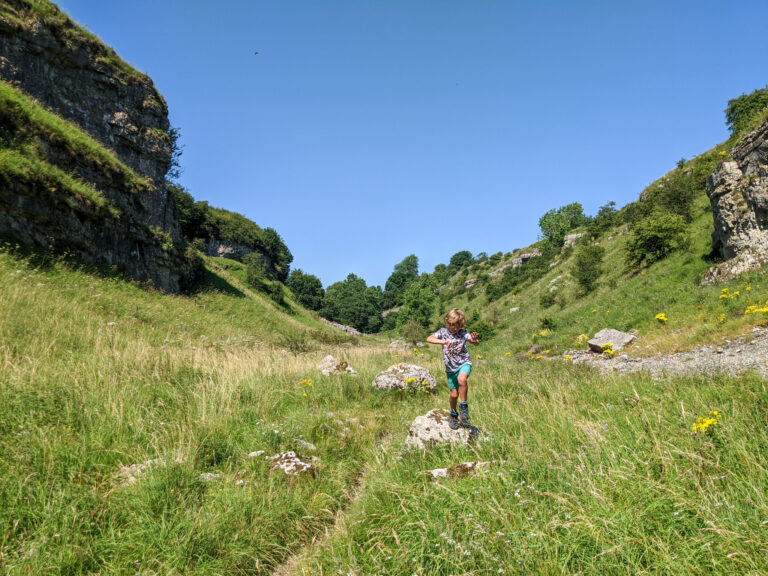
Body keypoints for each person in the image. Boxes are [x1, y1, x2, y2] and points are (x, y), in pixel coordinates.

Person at [426, 308, 479, 429]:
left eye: (457, 326)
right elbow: (429, 338)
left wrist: (474, 340)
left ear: (461, 325)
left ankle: (464, 406)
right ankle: (454, 414)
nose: (454, 328)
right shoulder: (443, 332)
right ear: (447, 322)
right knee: (454, 395)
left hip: (464, 363)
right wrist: (442, 342)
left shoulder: (463, 333)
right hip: (450, 369)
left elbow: (473, 340)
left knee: (462, 379)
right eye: (452, 325)